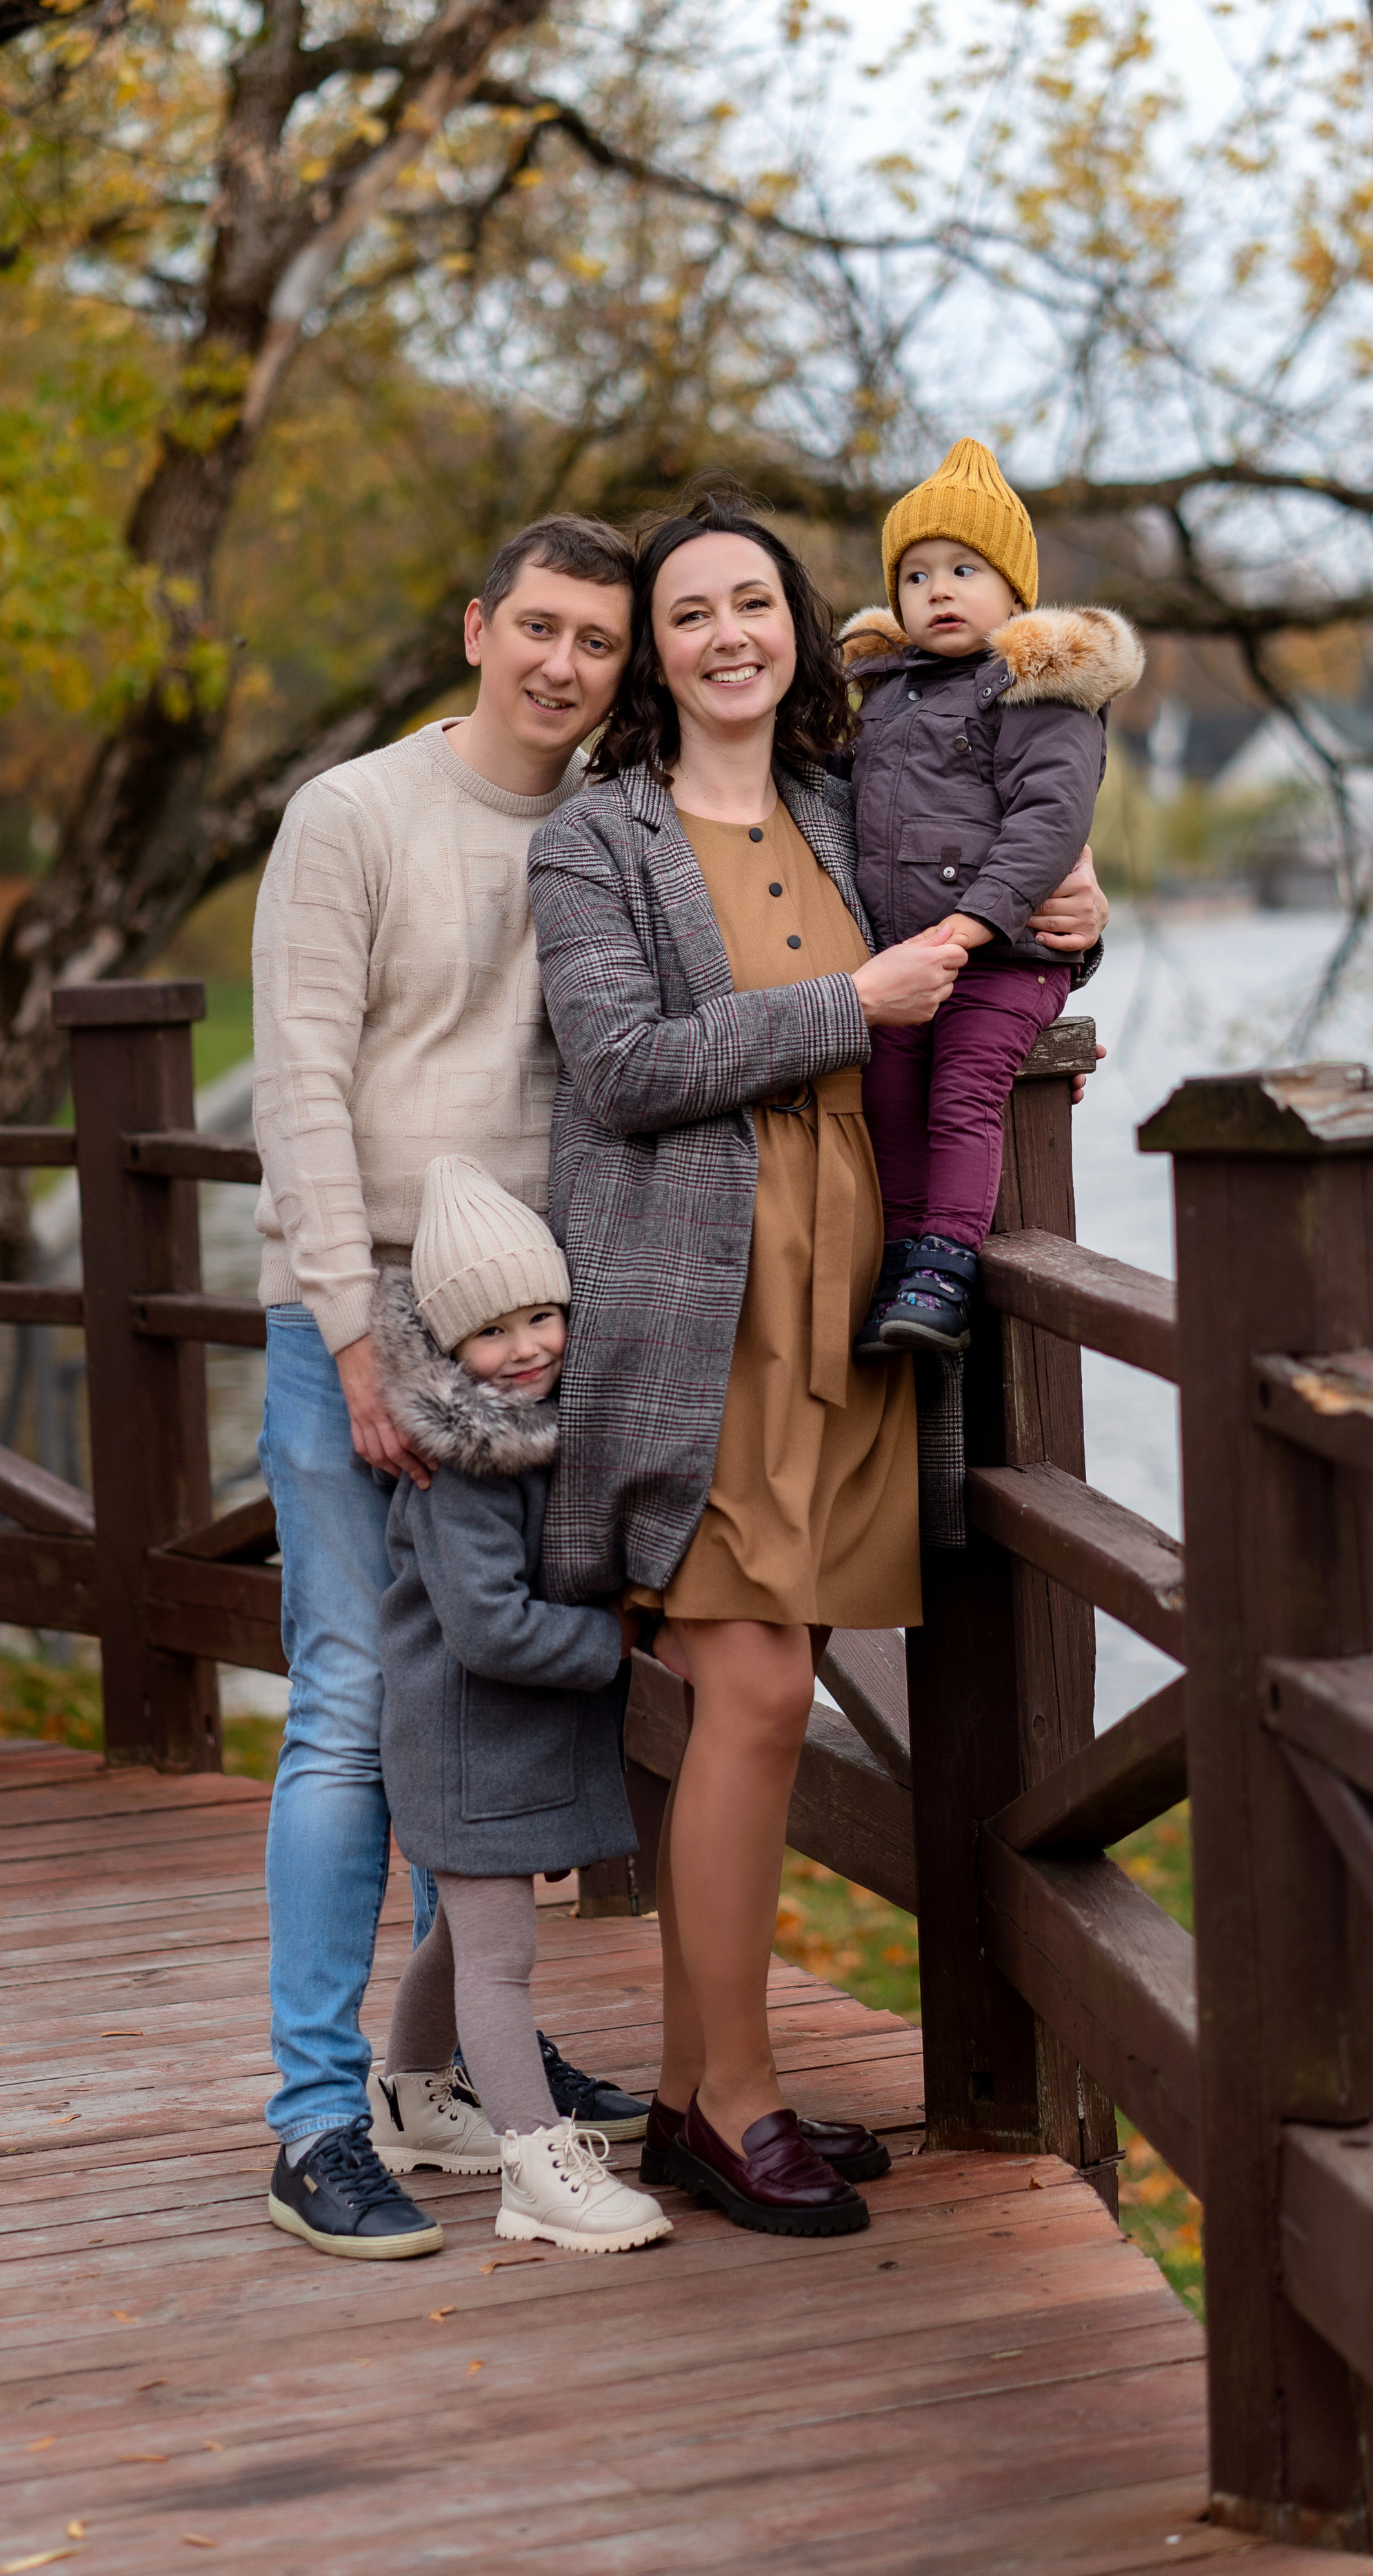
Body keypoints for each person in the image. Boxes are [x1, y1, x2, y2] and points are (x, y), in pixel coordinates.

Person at [525, 492, 1106, 2240]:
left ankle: (695, 2097)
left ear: (799, 627)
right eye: (689, 613)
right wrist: (851, 1007)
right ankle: (736, 2102)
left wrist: (1077, 919)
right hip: (688, 1303)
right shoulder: (597, 837)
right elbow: (620, 1067)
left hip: (842, 1293)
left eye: (753, 604)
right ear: (653, 652)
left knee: (762, 1700)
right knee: (760, 1689)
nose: (728, 636)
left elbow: (985, 915)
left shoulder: (847, 802)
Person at [254, 515, 652, 2264]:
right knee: (351, 1706)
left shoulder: (614, 821)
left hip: (536, 1331)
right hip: (360, 1311)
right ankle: (314, 2118)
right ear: (478, 626)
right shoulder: (350, 814)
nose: (562, 664)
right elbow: (299, 1086)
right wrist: (355, 1337)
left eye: (597, 642)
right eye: (539, 627)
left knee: (476, 1699)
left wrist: (1059, 909)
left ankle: (451, 2074)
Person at [363, 1155, 672, 2255]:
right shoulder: (466, 1469)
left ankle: (407, 2098)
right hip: (462, 1743)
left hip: (488, 1740)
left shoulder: (533, 1432)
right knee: (499, 1959)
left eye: (543, 1315)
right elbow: (488, 1627)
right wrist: (612, 1644)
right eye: (492, 1332)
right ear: (450, 1350)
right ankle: (538, 2168)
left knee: (465, 1931)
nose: (528, 1346)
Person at [839, 436, 1143, 1358]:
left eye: (964, 570)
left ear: (1015, 593)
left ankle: (948, 1263)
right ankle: (902, 1257)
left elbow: (1050, 821)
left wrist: (976, 923)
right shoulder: (883, 694)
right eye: (917, 575)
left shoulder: (1036, 691)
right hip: (911, 962)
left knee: (964, 1089)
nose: (939, 590)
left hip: (1006, 956)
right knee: (889, 1091)